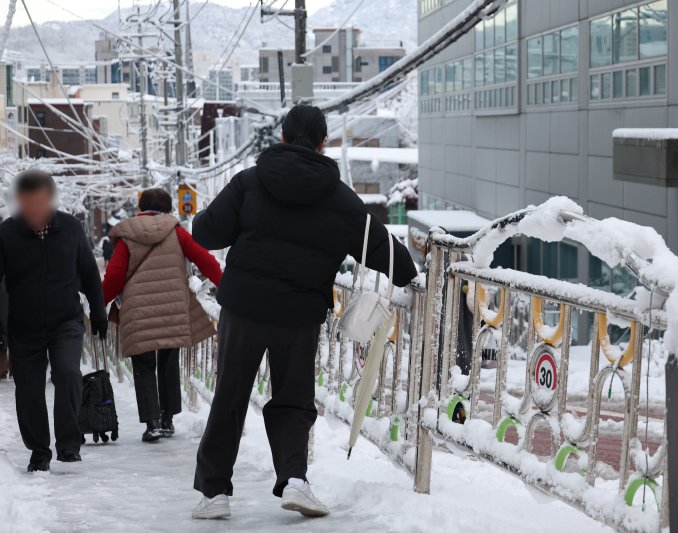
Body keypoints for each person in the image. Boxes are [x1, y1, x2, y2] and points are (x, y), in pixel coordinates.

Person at [191, 105, 418, 520]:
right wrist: (410, 274)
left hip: (243, 307)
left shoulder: (249, 182)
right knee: (294, 399)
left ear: (281, 137)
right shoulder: (340, 198)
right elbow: (390, 256)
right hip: (299, 313)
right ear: (322, 143)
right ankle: (295, 479)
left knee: (230, 395)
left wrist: (208, 215)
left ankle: (213, 493)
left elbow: (205, 232)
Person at [0, 170, 106, 472]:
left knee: (69, 372)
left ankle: (69, 445)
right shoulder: (7, 234)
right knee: (29, 389)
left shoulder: (71, 229)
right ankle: (39, 450)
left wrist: (98, 313)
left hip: (66, 321)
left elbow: (88, 273)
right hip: (24, 325)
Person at [102, 188, 222, 442]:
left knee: (144, 366)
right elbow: (205, 260)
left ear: (140, 208)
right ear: (168, 209)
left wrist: (98, 302)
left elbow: (114, 277)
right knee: (168, 362)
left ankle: (153, 423)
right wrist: (225, 284)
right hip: (173, 308)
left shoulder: (126, 235)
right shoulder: (176, 232)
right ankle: (168, 420)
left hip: (138, 310)